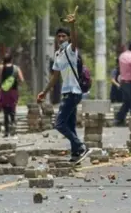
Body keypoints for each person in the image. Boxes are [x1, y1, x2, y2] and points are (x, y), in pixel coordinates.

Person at [36, 12, 91, 165]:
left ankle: (80, 146)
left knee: (59, 124)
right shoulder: (58, 54)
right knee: (70, 124)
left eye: (64, 37)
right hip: (66, 92)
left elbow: (75, 40)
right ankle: (75, 154)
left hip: (74, 92)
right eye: (59, 36)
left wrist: (72, 25)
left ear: (68, 38)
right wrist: (44, 92)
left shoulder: (71, 51)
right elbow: (54, 77)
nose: (61, 39)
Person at [0, 53, 24, 137]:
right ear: (11, 60)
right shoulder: (16, 68)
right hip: (13, 91)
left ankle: (6, 132)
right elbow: (22, 80)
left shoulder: (1, 67)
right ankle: (13, 130)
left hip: (4, 91)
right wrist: (15, 81)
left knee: (5, 112)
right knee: (12, 110)